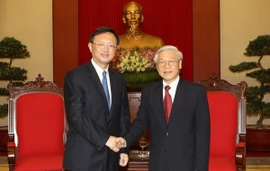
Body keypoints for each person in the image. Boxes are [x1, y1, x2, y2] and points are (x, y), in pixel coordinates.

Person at [118, 45, 210, 171]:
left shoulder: (196, 92)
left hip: (186, 162)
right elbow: (141, 122)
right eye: (161, 62)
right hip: (158, 161)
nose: (166, 66)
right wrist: (125, 141)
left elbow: (202, 134)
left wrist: (200, 168)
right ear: (156, 67)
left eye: (171, 61)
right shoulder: (149, 92)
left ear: (180, 64)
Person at [63, 26, 130, 171]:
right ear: (90, 46)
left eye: (111, 45)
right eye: (101, 44)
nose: (106, 49)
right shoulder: (76, 77)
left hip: (112, 156)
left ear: (115, 50)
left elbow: (123, 116)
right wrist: (106, 139)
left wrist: (124, 148)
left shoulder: (119, 80)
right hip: (84, 157)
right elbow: (76, 117)